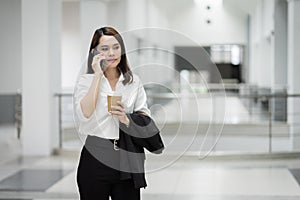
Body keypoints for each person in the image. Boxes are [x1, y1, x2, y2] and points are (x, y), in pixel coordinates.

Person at [74, 27, 162, 200]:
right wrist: (97, 76)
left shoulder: (133, 81)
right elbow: (85, 113)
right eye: (104, 49)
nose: (111, 53)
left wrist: (126, 119)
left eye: (116, 47)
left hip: (126, 156)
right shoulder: (86, 81)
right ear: (95, 52)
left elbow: (145, 117)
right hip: (95, 155)